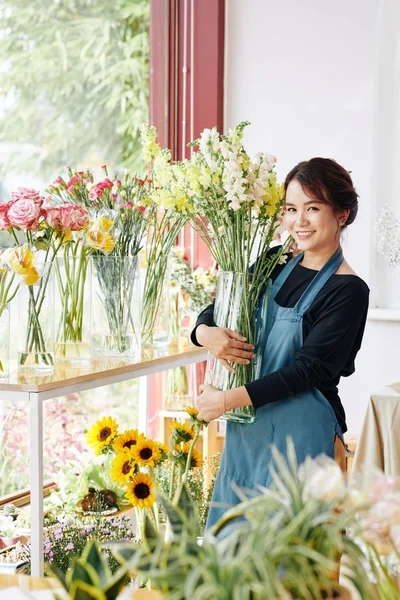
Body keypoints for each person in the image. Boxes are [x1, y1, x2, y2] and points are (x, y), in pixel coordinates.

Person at [191, 158, 370, 529]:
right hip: (249, 436)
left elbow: (308, 371)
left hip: (303, 442)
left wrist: (226, 400)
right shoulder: (273, 262)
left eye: (313, 208)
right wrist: (205, 335)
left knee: (291, 572)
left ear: (342, 214)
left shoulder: (349, 290)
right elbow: (217, 310)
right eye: (291, 209)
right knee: (231, 564)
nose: (299, 221)